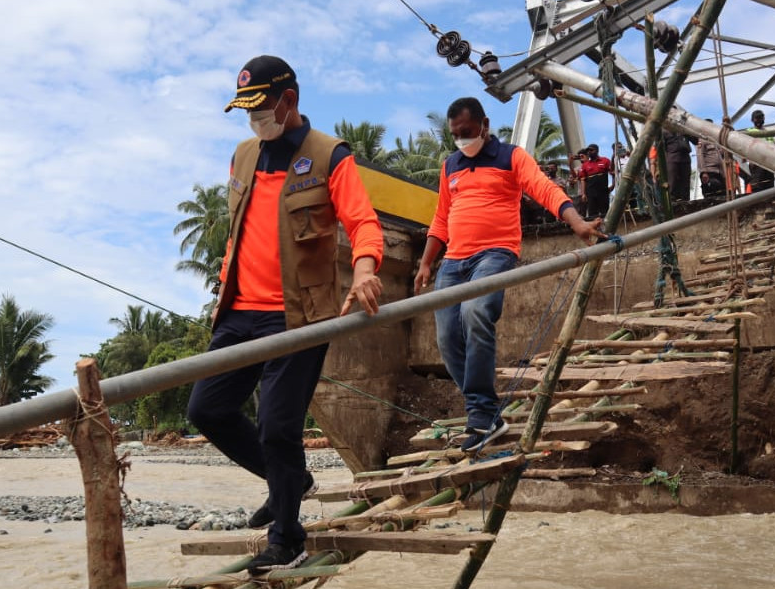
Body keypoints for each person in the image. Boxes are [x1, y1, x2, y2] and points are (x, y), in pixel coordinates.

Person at [187, 55, 385, 575]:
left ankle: (287, 538)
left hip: (297, 317)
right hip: (238, 314)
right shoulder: (242, 155)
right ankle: (290, 484)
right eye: (246, 110)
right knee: (207, 410)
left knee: (278, 427)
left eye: (261, 108)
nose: (255, 119)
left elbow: (363, 222)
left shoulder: (328, 155)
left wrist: (365, 272)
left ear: (288, 100)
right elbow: (239, 229)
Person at [414, 97, 603, 453]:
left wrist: (576, 221)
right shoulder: (449, 165)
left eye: (466, 132)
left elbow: (544, 188)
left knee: (475, 313)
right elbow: (441, 219)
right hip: (453, 261)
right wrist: (426, 263)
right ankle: (487, 413)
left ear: (484, 125)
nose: (461, 140)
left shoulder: (511, 156)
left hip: (495, 253)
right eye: (455, 134)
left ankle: (482, 417)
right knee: (445, 337)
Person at [574, 143, 614, 219]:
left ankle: (608, 229)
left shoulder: (605, 160)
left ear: (597, 150)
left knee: (605, 212)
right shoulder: (585, 165)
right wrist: (583, 194)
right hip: (591, 192)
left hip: (603, 191)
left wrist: (613, 184)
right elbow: (583, 180)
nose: (589, 152)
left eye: (591, 150)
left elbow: (612, 173)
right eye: (588, 151)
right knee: (592, 213)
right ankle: (595, 230)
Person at [742, 109, 775, 192]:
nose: (759, 120)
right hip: (756, 164)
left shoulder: (768, 133)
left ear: (764, 118)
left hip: (768, 165)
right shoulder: (749, 132)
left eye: (761, 118)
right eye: (756, 118)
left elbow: (774, 148)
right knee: (757, 187)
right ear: (752, 120)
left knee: (769, 186)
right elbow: (744, 147)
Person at [658, 129, 695, 202]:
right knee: (672, 183)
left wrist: (687, 132)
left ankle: (686, 201)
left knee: (686, 183)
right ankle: (672, 203)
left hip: (685, 158)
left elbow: (695, 141)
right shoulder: (664, 131)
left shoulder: (683, 129)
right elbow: (661, 148)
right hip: (672, 158)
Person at [696, 118, 728, 200]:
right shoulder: (701, 139)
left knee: (723, 196)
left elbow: (720, 155)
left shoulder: (715, 141)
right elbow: (700, 155)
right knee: (711, 197)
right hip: (709, 172)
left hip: (719, 173)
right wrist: (704, 172)